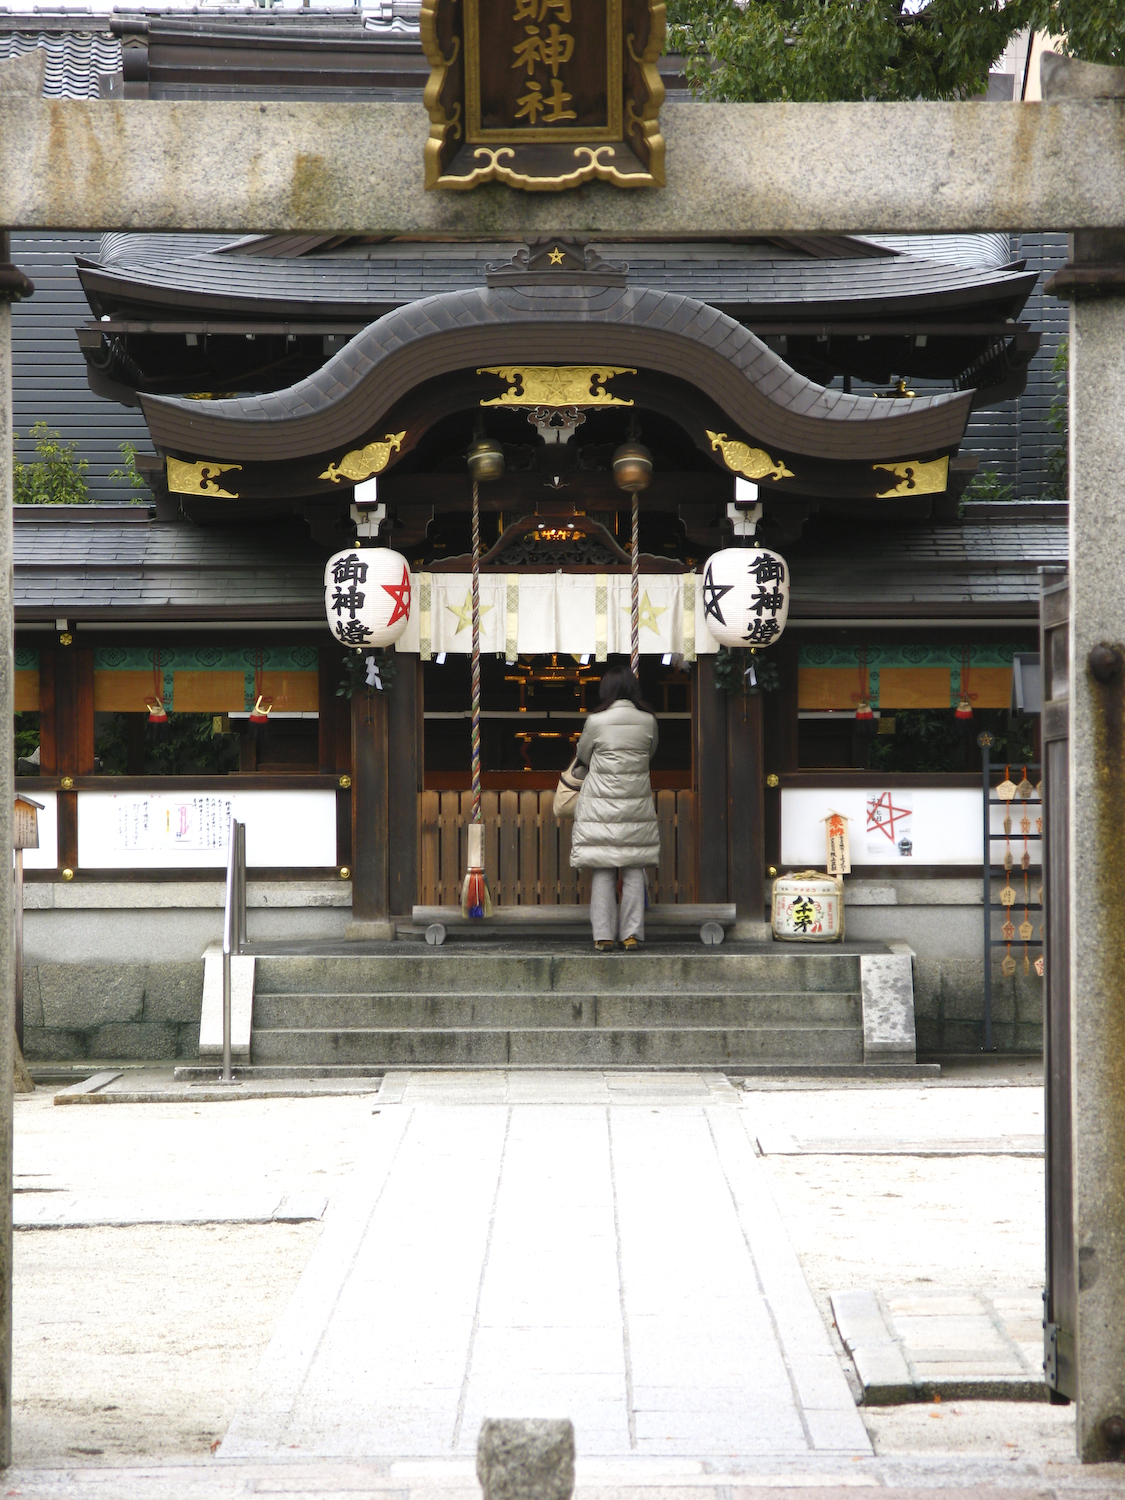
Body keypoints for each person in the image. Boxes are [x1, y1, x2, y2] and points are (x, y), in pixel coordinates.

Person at [570, 665, 660, 951]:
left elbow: (582, 755)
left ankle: (603, 935)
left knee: (603, 868)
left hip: (601, 807)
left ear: (606, 690)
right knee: (633, 868)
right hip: (636, 803)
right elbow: (651, 753)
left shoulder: (596, 721)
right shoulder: (648, 721)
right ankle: (631, 934)